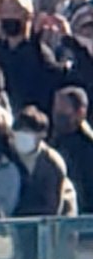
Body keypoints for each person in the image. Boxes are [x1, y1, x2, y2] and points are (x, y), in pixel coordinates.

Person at [11, 108, 78, 219]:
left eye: (28, 131)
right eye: (19, 131)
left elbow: (53, 207)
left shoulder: (52, 163)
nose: (22, 135)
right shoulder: (8, 156)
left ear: (42, 134)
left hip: (54, 220)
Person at [52, 87, 93, 221]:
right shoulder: (52, 142)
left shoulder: (87, 148)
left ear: (80, 112)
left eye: (63, 112)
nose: (57, 114)